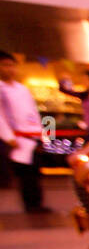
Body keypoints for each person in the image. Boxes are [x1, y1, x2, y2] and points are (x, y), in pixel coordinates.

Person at [0, 50, 49, 213]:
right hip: (15, 138)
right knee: (25, 174)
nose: (10, 69)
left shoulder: (22, 89)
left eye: (12, 65)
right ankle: (30, 204)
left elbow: (33, 113)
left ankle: (37, 203)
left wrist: (41, 133)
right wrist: (7, 136)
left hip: (31, 135)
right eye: (5, 65)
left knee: (35, 171)